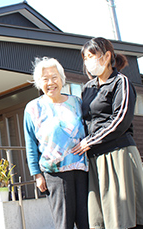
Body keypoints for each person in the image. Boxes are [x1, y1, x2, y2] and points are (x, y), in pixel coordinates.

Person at [72, 37, 143, 229]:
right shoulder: (88, 88)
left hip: (117, 154)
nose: (88, 61)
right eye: (85, 58)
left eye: (92, 56)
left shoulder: (120, 82)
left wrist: (90, 140)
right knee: (100, 218)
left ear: (106, 56)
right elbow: (84, 120)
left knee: (123, 216)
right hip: (94, 158)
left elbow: (121, 119)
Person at [24, 57, 89, 229]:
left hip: (82, 170)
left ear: (62, 79)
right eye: (45, 79)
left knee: (87, 222)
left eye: (54, 77)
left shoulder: (77, 102)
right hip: (55, 173)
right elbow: (30, 144)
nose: (50, 82)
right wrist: (37, 174)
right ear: (39, 82)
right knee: (64, 223)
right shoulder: (33, 108)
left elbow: (90, 130)